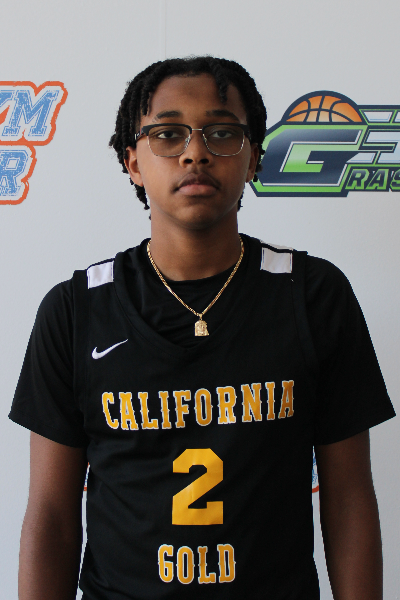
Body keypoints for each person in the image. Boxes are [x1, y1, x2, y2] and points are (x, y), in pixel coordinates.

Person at [9, 56, 395, 600]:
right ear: (133, 161)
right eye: (168, 134)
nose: (195, 152)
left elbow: (350, 495)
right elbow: (51, 512)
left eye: (222, 133)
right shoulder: (75, 311)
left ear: (254, 157)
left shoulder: (313, 296)